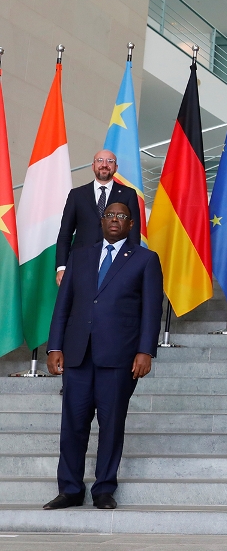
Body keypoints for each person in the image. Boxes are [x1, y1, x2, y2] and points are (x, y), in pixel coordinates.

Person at [42, 201, 163, 510]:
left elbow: (151, 310)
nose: (115, 220)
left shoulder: (145, 259)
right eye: (110, 215)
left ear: (131, 224)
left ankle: (103, 489)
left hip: (119, 358)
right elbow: (63, 306)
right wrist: (54, 346)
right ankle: (69, 489)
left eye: (122, 216)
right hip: (78, 356)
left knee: (111, 426)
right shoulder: (79, 256)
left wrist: (146, 350)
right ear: (101, 220)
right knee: (73, 425)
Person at [55, 150, 141, 285]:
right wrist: (61, 267)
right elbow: (65, 233)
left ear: (116, 167)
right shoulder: (76, 194)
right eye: (100, 160)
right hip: (80, 261)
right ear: (93, 166)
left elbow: (134, 234)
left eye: (110, 161)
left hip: (115, 261)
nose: (104, 164)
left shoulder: (128, 194)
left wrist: (131, 265)